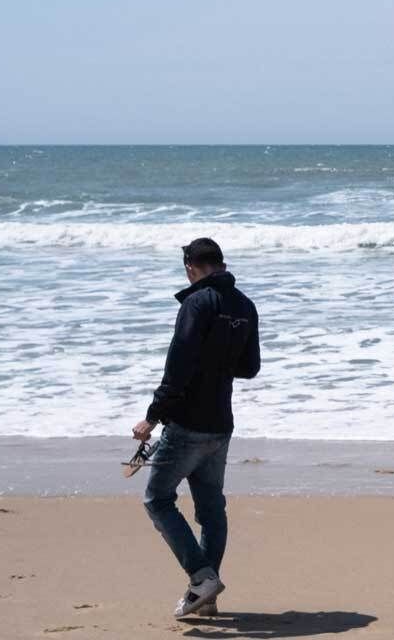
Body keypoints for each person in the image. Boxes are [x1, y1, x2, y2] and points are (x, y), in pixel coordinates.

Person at [131, 238, 261, 619]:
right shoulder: (245, 305)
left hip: (187, 423)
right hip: (221, 423)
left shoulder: (197, 302)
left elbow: (178, 367)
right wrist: (218, 359)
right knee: (211, 508)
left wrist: (151, 417)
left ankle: (201, 578)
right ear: (220, 263)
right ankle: (208, 594)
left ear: (191, 266)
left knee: (157, 499)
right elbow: (250, 367)